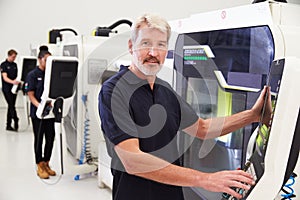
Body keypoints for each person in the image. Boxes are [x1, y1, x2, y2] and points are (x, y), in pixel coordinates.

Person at [98, 14, 272, 200]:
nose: (153, 53)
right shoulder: (114, 91)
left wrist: (253, 115)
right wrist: (204, 179)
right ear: (131, 47)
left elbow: (202, 128)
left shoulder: (164, 90)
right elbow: (132, 160)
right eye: (146, 43)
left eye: (161, 45)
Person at [25, 46, 56, 179]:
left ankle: (47, 162)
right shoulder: (32, 75)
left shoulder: (51, 74)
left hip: (50, 113)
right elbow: (30, 94)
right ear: (40, 60)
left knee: (50, 138)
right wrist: (40, 107)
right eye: (46, 60)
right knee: (39, 139)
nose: (48, 62)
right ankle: (40, 164)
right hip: (37, 113)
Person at [0, 49, 20, 131]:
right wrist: (13, 82)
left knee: (11, 106)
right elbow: (5, 78)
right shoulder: (3, 65)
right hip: (6, 89)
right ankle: (15, 119)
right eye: (13, 57)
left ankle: (8, 125)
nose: (14, 59)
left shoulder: (15, 65)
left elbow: (17, 76)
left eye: (15, 57)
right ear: (9, 56)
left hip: (14, 88)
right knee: (11, 105)